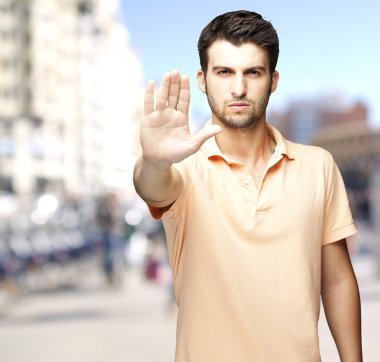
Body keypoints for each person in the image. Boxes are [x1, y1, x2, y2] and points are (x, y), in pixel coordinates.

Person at [133, 10, 362, 362]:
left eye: (252, 72)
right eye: (224, 72)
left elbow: (337, 280)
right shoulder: (183, 170)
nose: (238, 88)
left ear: (272, 80)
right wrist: (156, 161)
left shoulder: (318, 166)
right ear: (203, 79)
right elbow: (153, 187)